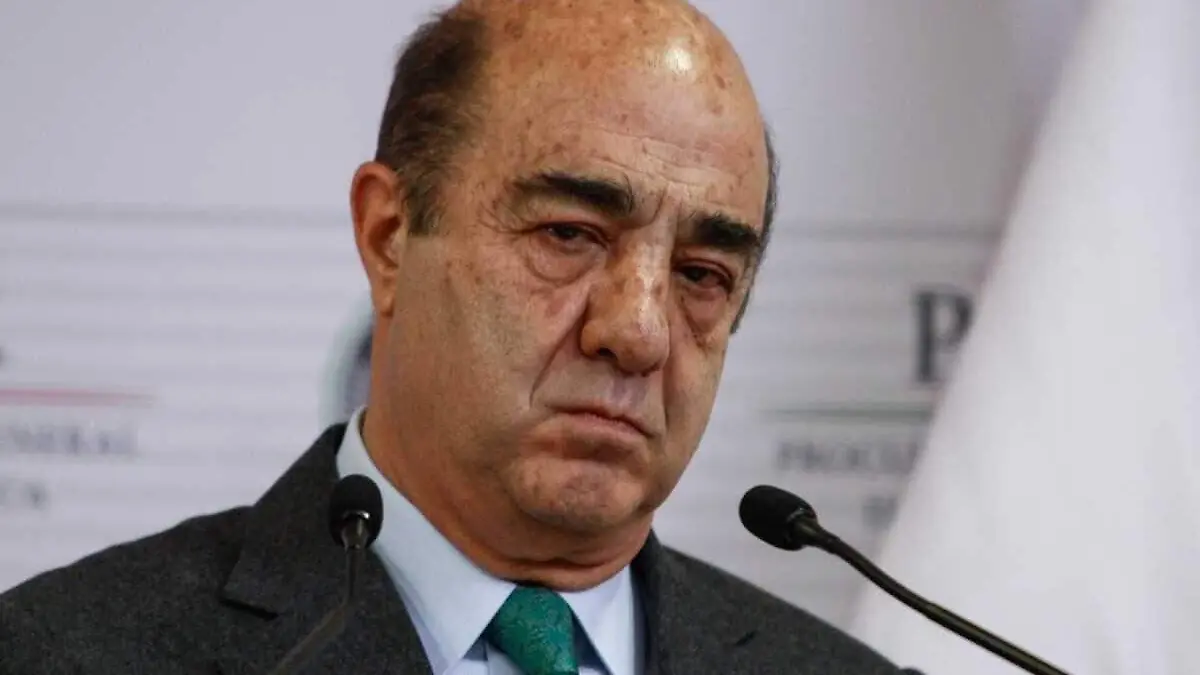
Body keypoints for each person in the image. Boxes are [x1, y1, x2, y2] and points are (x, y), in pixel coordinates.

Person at [0, 1, 918, 673]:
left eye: (702, 275)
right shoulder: (63, 652)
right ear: (389, 236)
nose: (638, 332)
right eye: (569, 233)